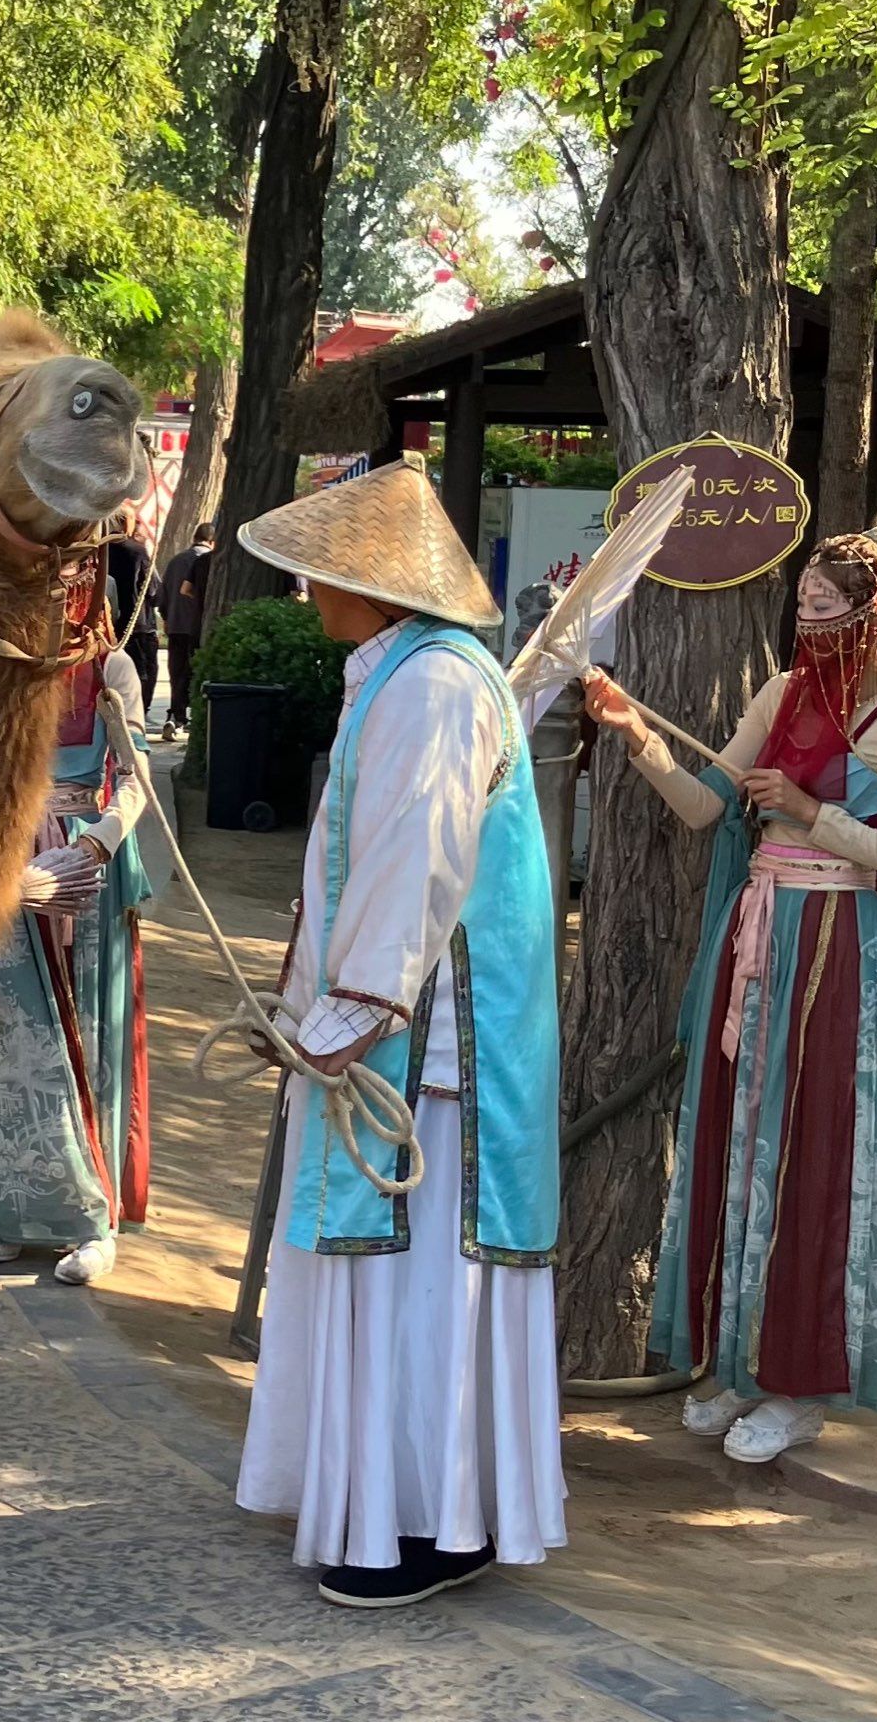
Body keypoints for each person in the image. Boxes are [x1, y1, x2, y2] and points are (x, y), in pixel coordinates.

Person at [234, 458, 566, 1609]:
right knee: (400, 1274)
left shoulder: (432, 682)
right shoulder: (400, 672)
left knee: (426, 1272)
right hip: (407, 1022)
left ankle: (433, 1514)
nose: (303, 591)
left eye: (316, 572)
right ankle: (394, 1502)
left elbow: (416, 854)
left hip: (436, 1037)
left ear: (365, 582)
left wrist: (352, 1008)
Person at [587, 528, 877, 1463]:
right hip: (758, 941)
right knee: (742, 1148)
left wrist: (812, 809)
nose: (812, 621)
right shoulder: (779, 695)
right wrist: (635, 735)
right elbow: (708, 805)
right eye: (804, 606)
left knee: (816, 1152)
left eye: (830, 607)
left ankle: (804, 1386)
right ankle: (738, 1365)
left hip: (838, 946)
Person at [0, 646, 153, 1285]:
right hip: (7, 865)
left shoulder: (112, 669)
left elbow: (136, 775)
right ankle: (7, 1211)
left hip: (90, 868)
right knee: (3, 1033)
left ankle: (94, 1218)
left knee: (87, 1032)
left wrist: (96, 843)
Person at [159, 520, 214, 742]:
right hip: (197, 625)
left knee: (176, 671)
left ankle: (177, 713)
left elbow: (163, 594)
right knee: (193, 671)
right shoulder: (210, 562)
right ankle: (189, 716)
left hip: (175, 625)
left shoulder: (175, 561)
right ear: (212, 541)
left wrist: (166, 616)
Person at [107, 529, 160, 716]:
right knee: (144, 672)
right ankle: (138, 716)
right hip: (138, 624)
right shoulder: (137, 551)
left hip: (106, 625)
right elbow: (153, 589)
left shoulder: (96, 551)